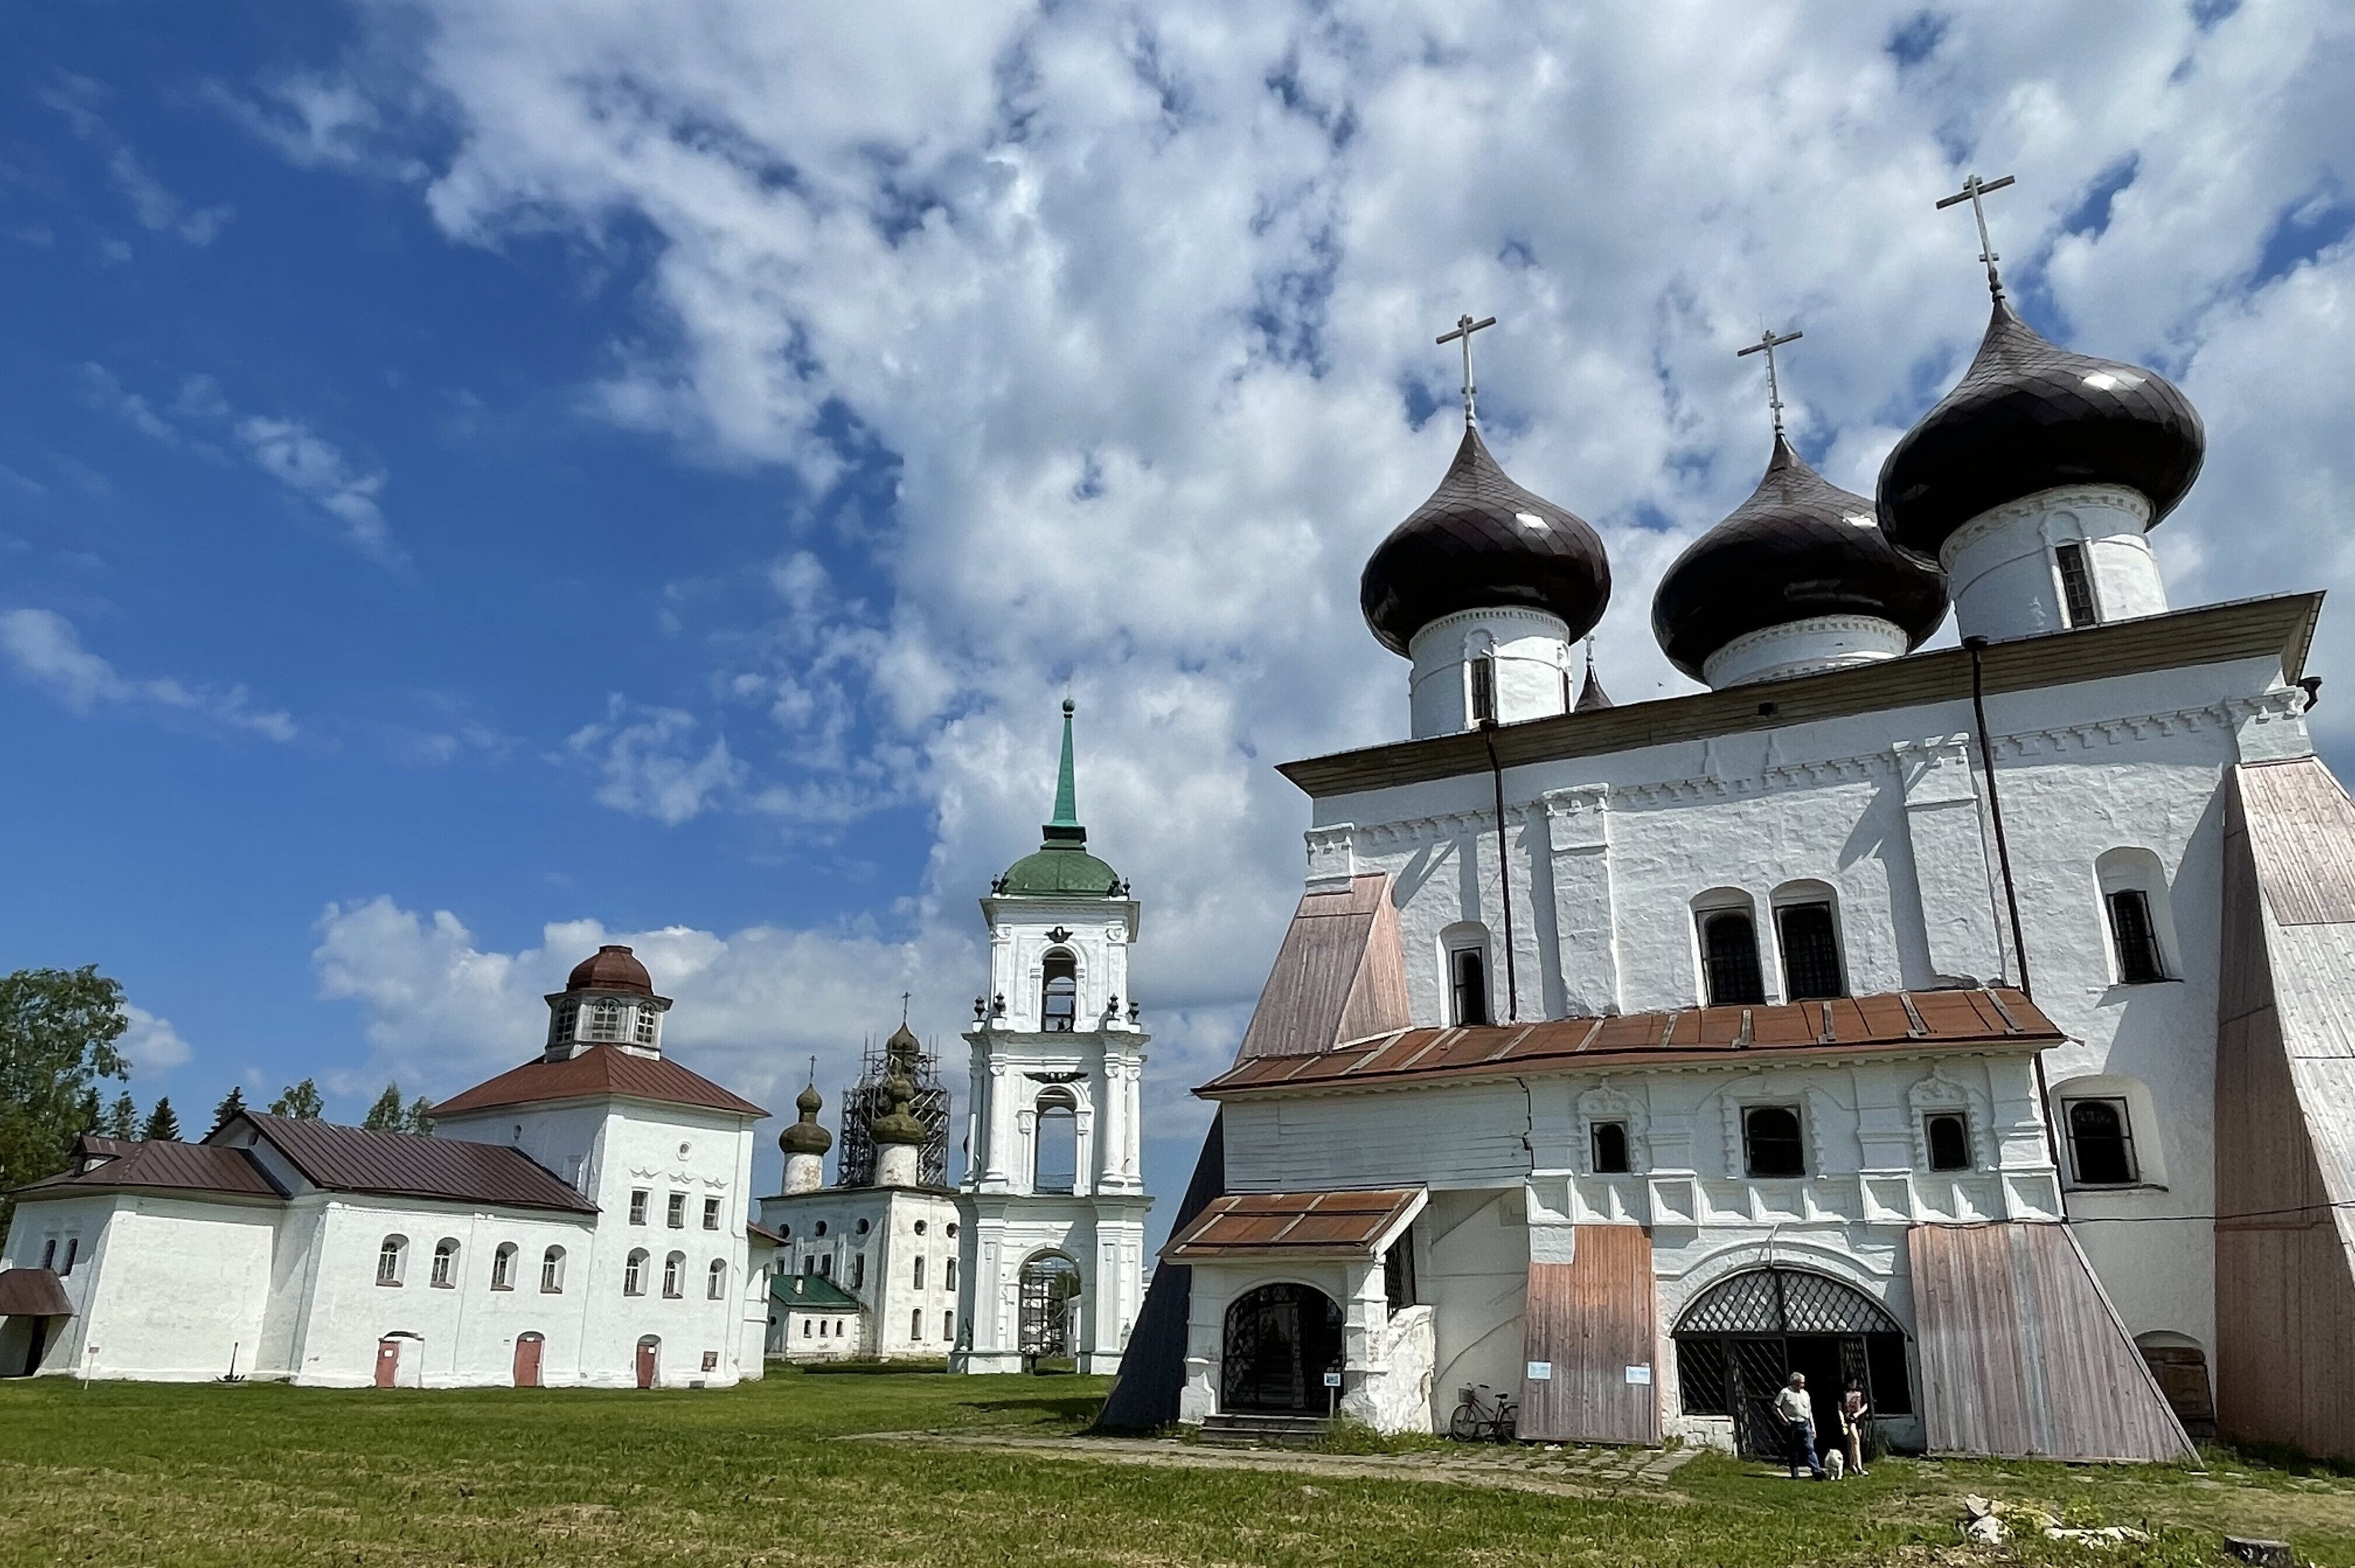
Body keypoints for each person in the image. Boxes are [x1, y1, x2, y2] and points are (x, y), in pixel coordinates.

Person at [1773, 1372, 1826, 1479]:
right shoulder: (1785, 1392)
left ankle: (1817, 1471)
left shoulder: (1805, 1394)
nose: (1803, 1385)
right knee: (1793, 1450)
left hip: (1805, 1423)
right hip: (1792, 1424)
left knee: (1810, 1448)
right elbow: (1776, 1407)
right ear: (1795, 1382)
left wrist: (1813, 1427)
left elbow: (1809, 1411)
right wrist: (1784, 1419)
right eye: (1801, 1383)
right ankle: (1795, 1473)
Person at [1839, 1379, 1871, 1477]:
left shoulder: (1861, 1391)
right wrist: (1843, 1421)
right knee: (1855, 1440)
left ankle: (1853, 1464)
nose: (1853, 1384)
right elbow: (1840, 1408)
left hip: (1859, 1418)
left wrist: (1858, 1414)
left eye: (1854, 1382)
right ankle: (1860, 1467)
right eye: (1851, 1382)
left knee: (1855, 1443)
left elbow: (1866, 1405)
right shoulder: (1844, 1393)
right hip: (1849, 1420)